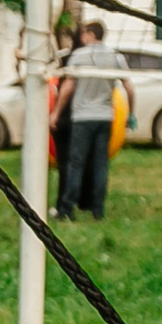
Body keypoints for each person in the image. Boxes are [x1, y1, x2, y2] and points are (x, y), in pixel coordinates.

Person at [55, 21, 127, 222]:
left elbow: (68, 86)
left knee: (76, 164)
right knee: (100, 165)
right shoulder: (115, 56)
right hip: (105, 117)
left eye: (83, 33)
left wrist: (56, 112)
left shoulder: (79, 56)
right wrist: (132, 115)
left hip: (82, 117)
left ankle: (66, 209)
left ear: (89, 34)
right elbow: (129, 87)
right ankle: (97, 210)